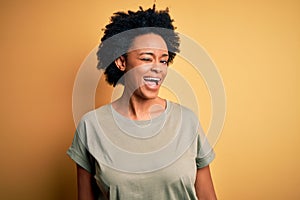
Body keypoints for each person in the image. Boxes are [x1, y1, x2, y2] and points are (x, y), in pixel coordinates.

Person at [67, 5, 217, 200]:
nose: (158, 69)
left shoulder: (187, 121)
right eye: (147, 58)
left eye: (163, 61)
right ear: (121, 62)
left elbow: (207, 196)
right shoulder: (91, 126)